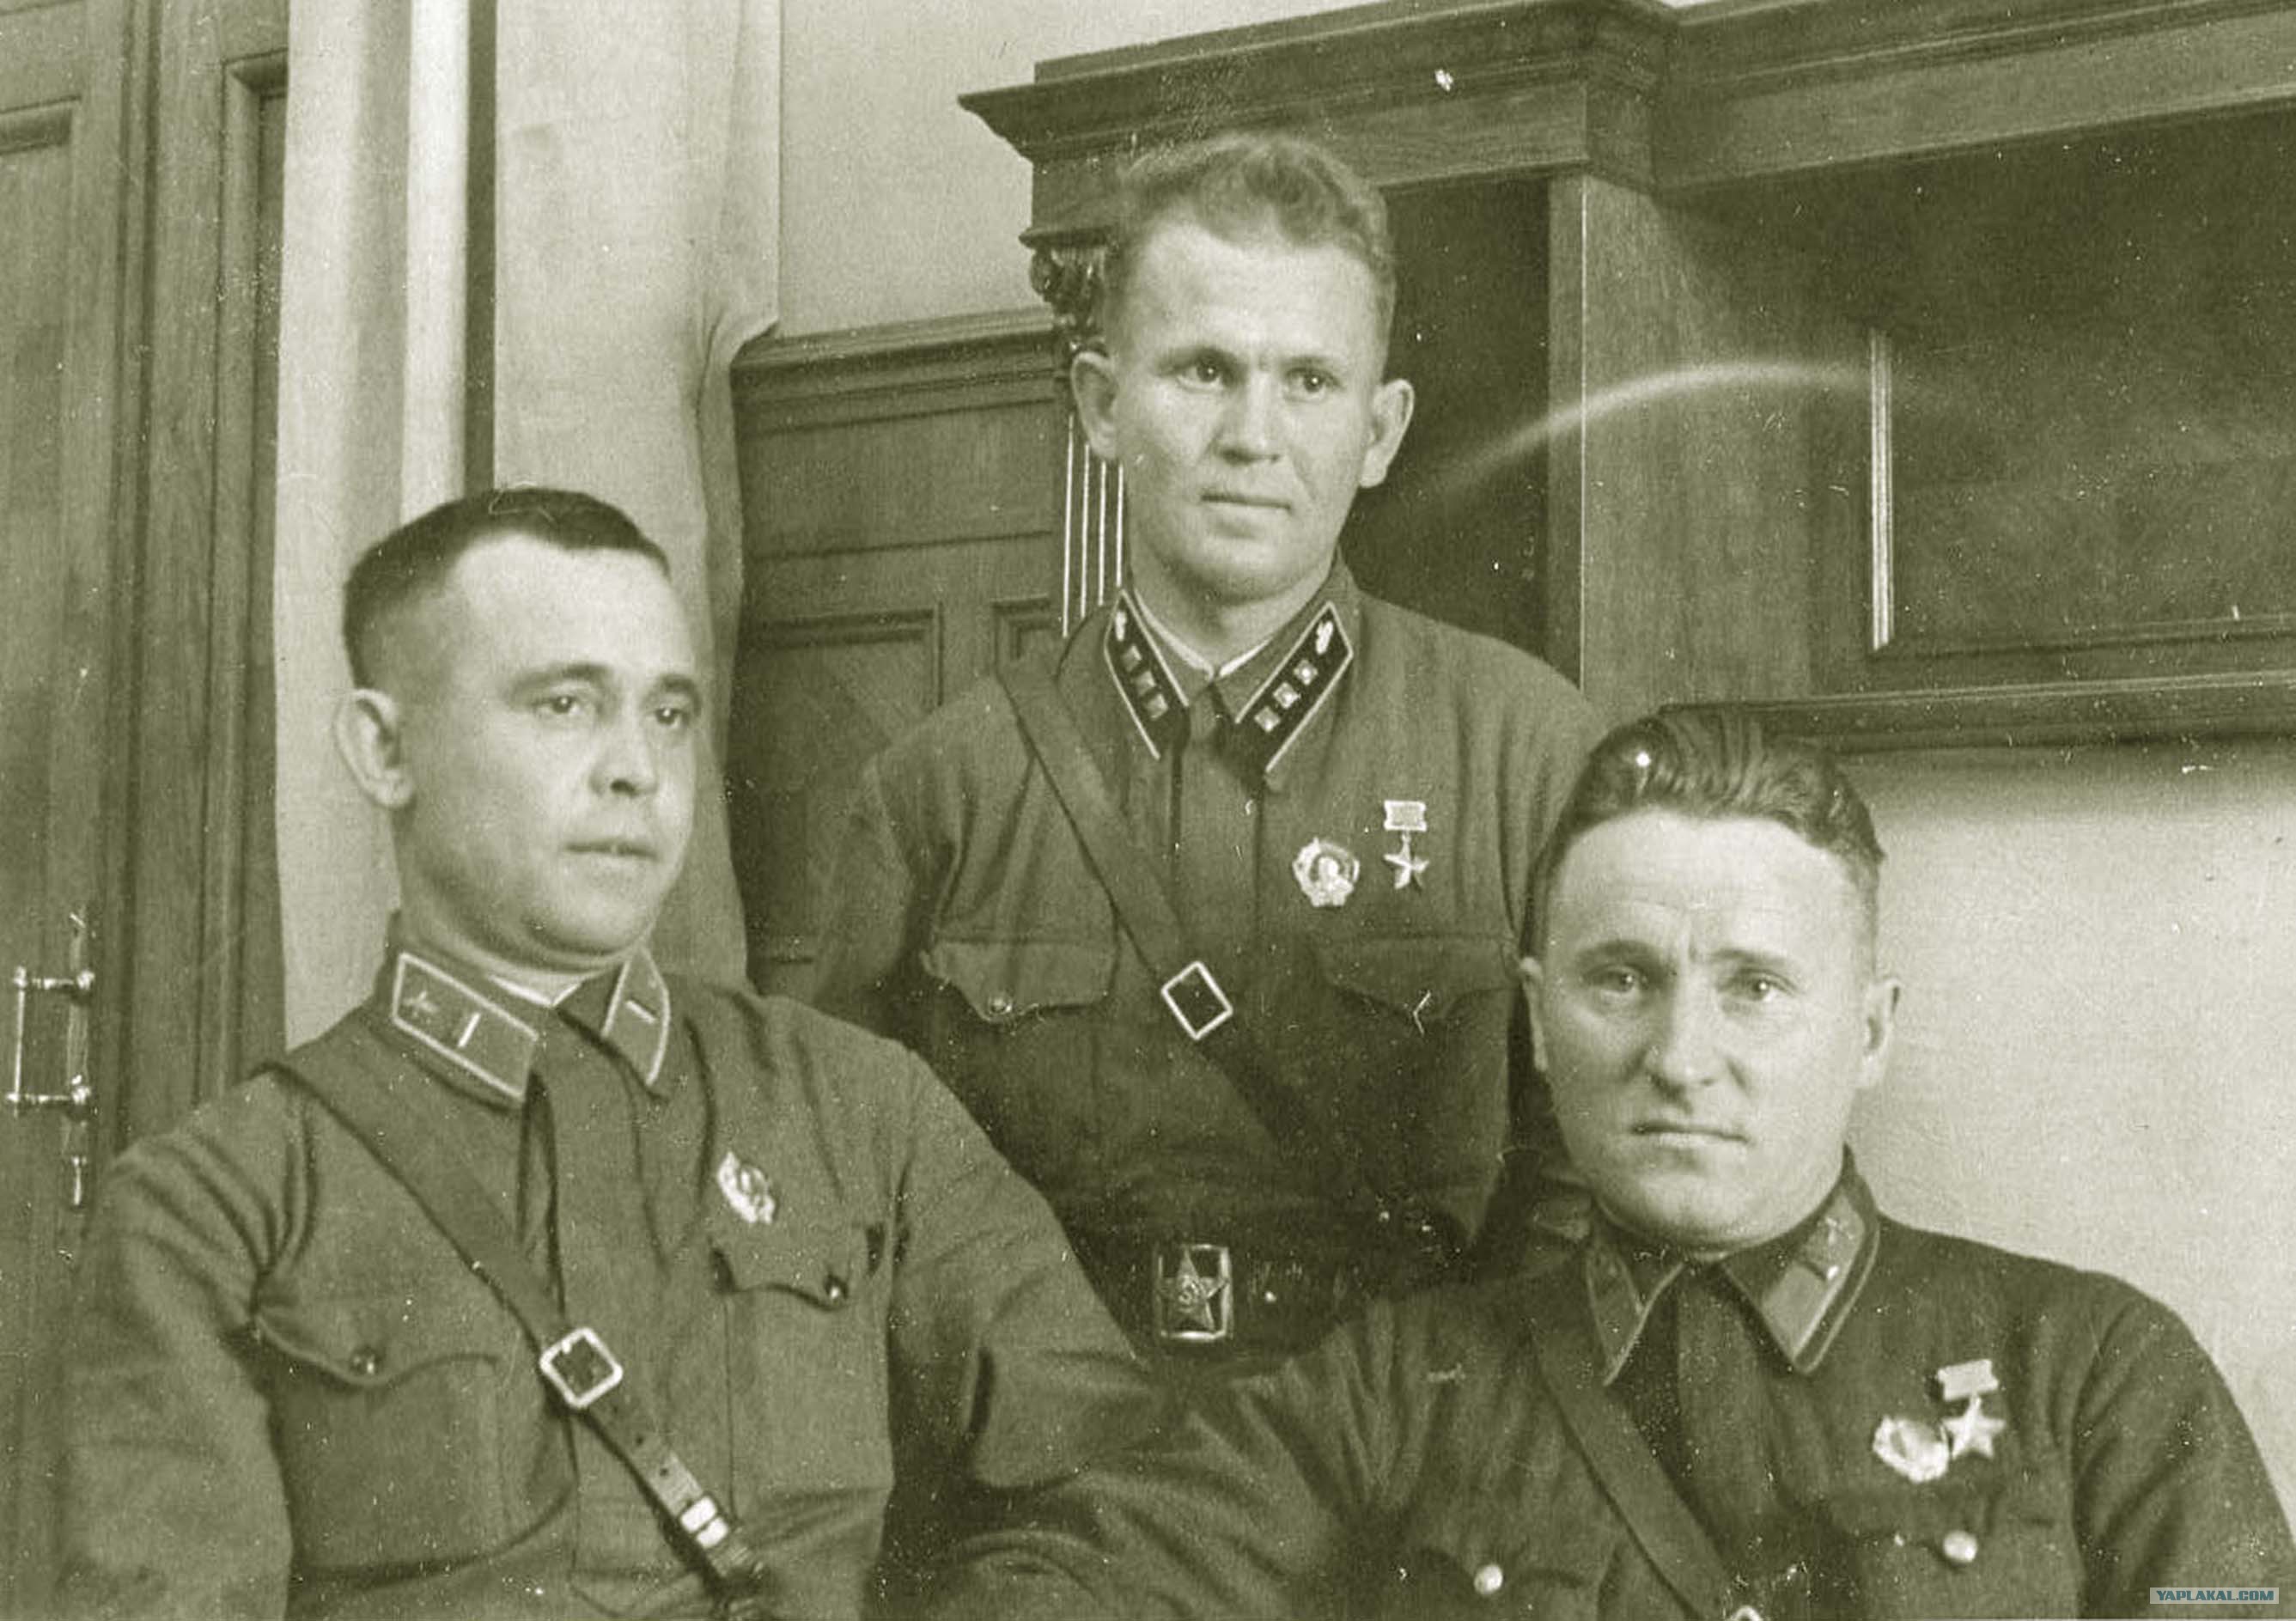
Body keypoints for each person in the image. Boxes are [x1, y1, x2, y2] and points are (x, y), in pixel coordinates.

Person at [57, 488, 1153, 1621]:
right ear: (385, 750)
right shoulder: (214, 1208)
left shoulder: (865, 1110)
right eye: (565, 705)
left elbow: (1114, 1494)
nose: (637, 768)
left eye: (669, 714)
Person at [931, 711, 2295, 1620]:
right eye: (1621, 980)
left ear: (1870, 1031)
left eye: (1754, 987)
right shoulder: (1398, 1388)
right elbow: (1053, 1591)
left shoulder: (2091, 1373)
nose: (1680, 1058)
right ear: (1536, 1022)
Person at [812, 131, 1600, 1377]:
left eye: (1309, 381)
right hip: (1045, 1456)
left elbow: (1589, 1180)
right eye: (1202, 370)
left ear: (1381, 430)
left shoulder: (1526, 754)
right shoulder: (941, 791)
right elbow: (845, 1200)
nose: (1253, 435)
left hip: (1404, 1448)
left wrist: (1461, 1421)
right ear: (1100, 405)